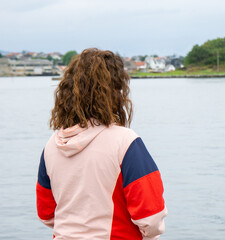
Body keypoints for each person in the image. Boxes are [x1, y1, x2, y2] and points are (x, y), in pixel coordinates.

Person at [36, 48, 167, 239]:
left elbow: (46, 214)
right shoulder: (126, 142)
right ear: (115, 92)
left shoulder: (51, 146)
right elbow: (151, 217)